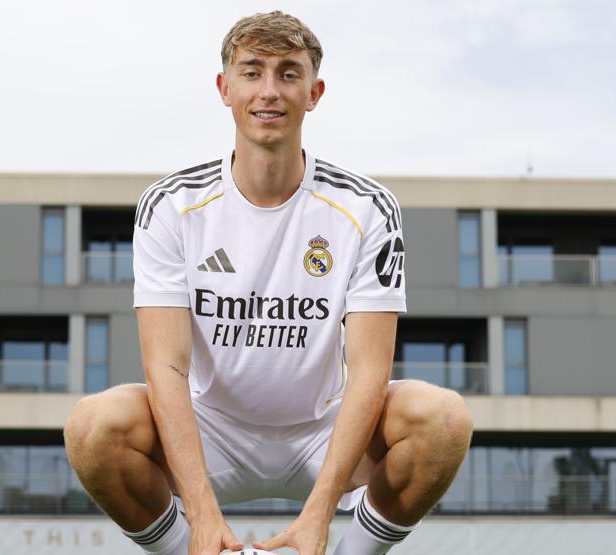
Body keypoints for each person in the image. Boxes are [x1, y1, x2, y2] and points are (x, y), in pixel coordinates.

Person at [65, 11, 473, 555]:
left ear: (314, 92)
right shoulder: (171, 206)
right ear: (225, 88)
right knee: (93, 427)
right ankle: (192, 548)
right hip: (213, 432)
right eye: (252, 72)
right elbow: (166, 366)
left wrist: (320, 513)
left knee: (444, 419)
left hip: (324, 430)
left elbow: (371, 370)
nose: (269, 92)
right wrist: (205, 514)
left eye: (288, 73)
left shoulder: (368, 208)